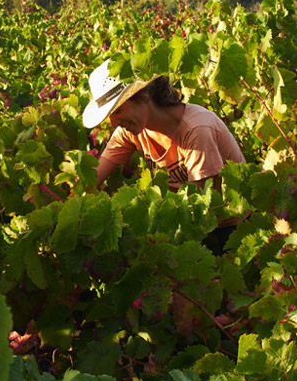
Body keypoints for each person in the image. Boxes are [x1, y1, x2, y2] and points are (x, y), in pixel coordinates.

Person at [82, 60, 246, 251]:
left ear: (142, 95)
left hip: (226, 228)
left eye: (117, 110)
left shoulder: (196, 130)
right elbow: (93, 179)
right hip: (180, 220)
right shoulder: (131, 131)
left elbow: (198, 210)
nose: (113, 122)